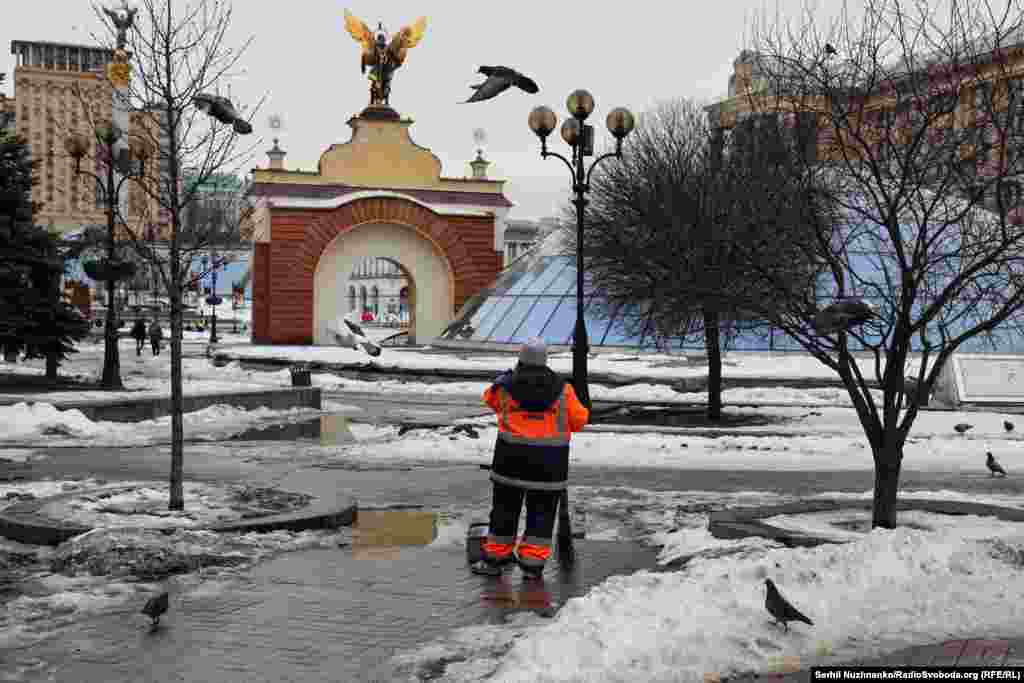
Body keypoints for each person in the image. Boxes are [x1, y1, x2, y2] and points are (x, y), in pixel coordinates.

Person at [474, 337, 589, 580]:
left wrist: (506, 377)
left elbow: (488, 399)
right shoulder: (563, 389)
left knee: (504, 511)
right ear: (545, 360)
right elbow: (579, 420)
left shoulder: (505, 386)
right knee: (542, 514)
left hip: (510, 463)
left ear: (521, 358)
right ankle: (532, 564)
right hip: (549, 467)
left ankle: (496, 559)